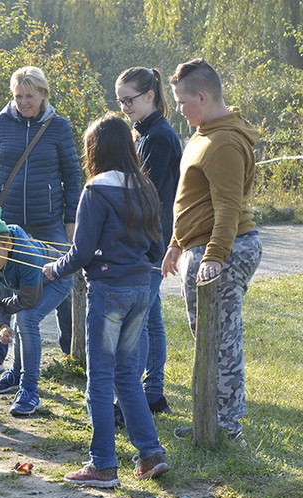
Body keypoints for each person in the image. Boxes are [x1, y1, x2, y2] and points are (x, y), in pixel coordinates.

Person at [43, 113, 169, 487]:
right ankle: (150, 454)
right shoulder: (145, 186)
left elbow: (80, 253)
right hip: (142, 289)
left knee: (99, 379)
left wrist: (53, 269)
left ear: (95, 151)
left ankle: (103, 464)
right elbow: (157, 247)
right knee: (128, 375)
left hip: (109, 292)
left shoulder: (95, 190)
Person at [163, 59, 262, 440]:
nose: (180, 110)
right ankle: (210, 419)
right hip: (200, 247)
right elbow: (193, 200)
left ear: (202, 97)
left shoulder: (223, 142)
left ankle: (225, 426)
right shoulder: (204, 132)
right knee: (207, 337)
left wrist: (215, 257)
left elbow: (227, 207)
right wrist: (175, 245)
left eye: (183, 102)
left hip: (225, 248)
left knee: (220, 340)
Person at [0, 66, 81, 376]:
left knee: (61, 281)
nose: (23, 102)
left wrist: (70, 220)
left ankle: (70, 350)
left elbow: (72, 176)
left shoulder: (59, 127)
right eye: (18, 96)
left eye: (29, 96)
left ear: (43, 94)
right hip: (2, 222)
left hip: (47, 221)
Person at [113, 67, 183, 422]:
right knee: (151, 316)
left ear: (151, 96)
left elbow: (149, 195)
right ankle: (154, 392)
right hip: (150, 237)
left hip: (150, 239)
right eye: (120, 101)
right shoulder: (143, 133)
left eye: (130, 100)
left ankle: (131, 402)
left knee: (137, 323)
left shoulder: (158, 136)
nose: (125, 107)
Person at [0, 205, 72, 415]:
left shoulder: (26, 255)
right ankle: (15, 374)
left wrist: (2, 308)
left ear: (8, 243)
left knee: (27, 319)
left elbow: (28, 300)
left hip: (57, 279)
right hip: (30, 287)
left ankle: (30, 391)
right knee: (19, 319)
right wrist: (3, 324)